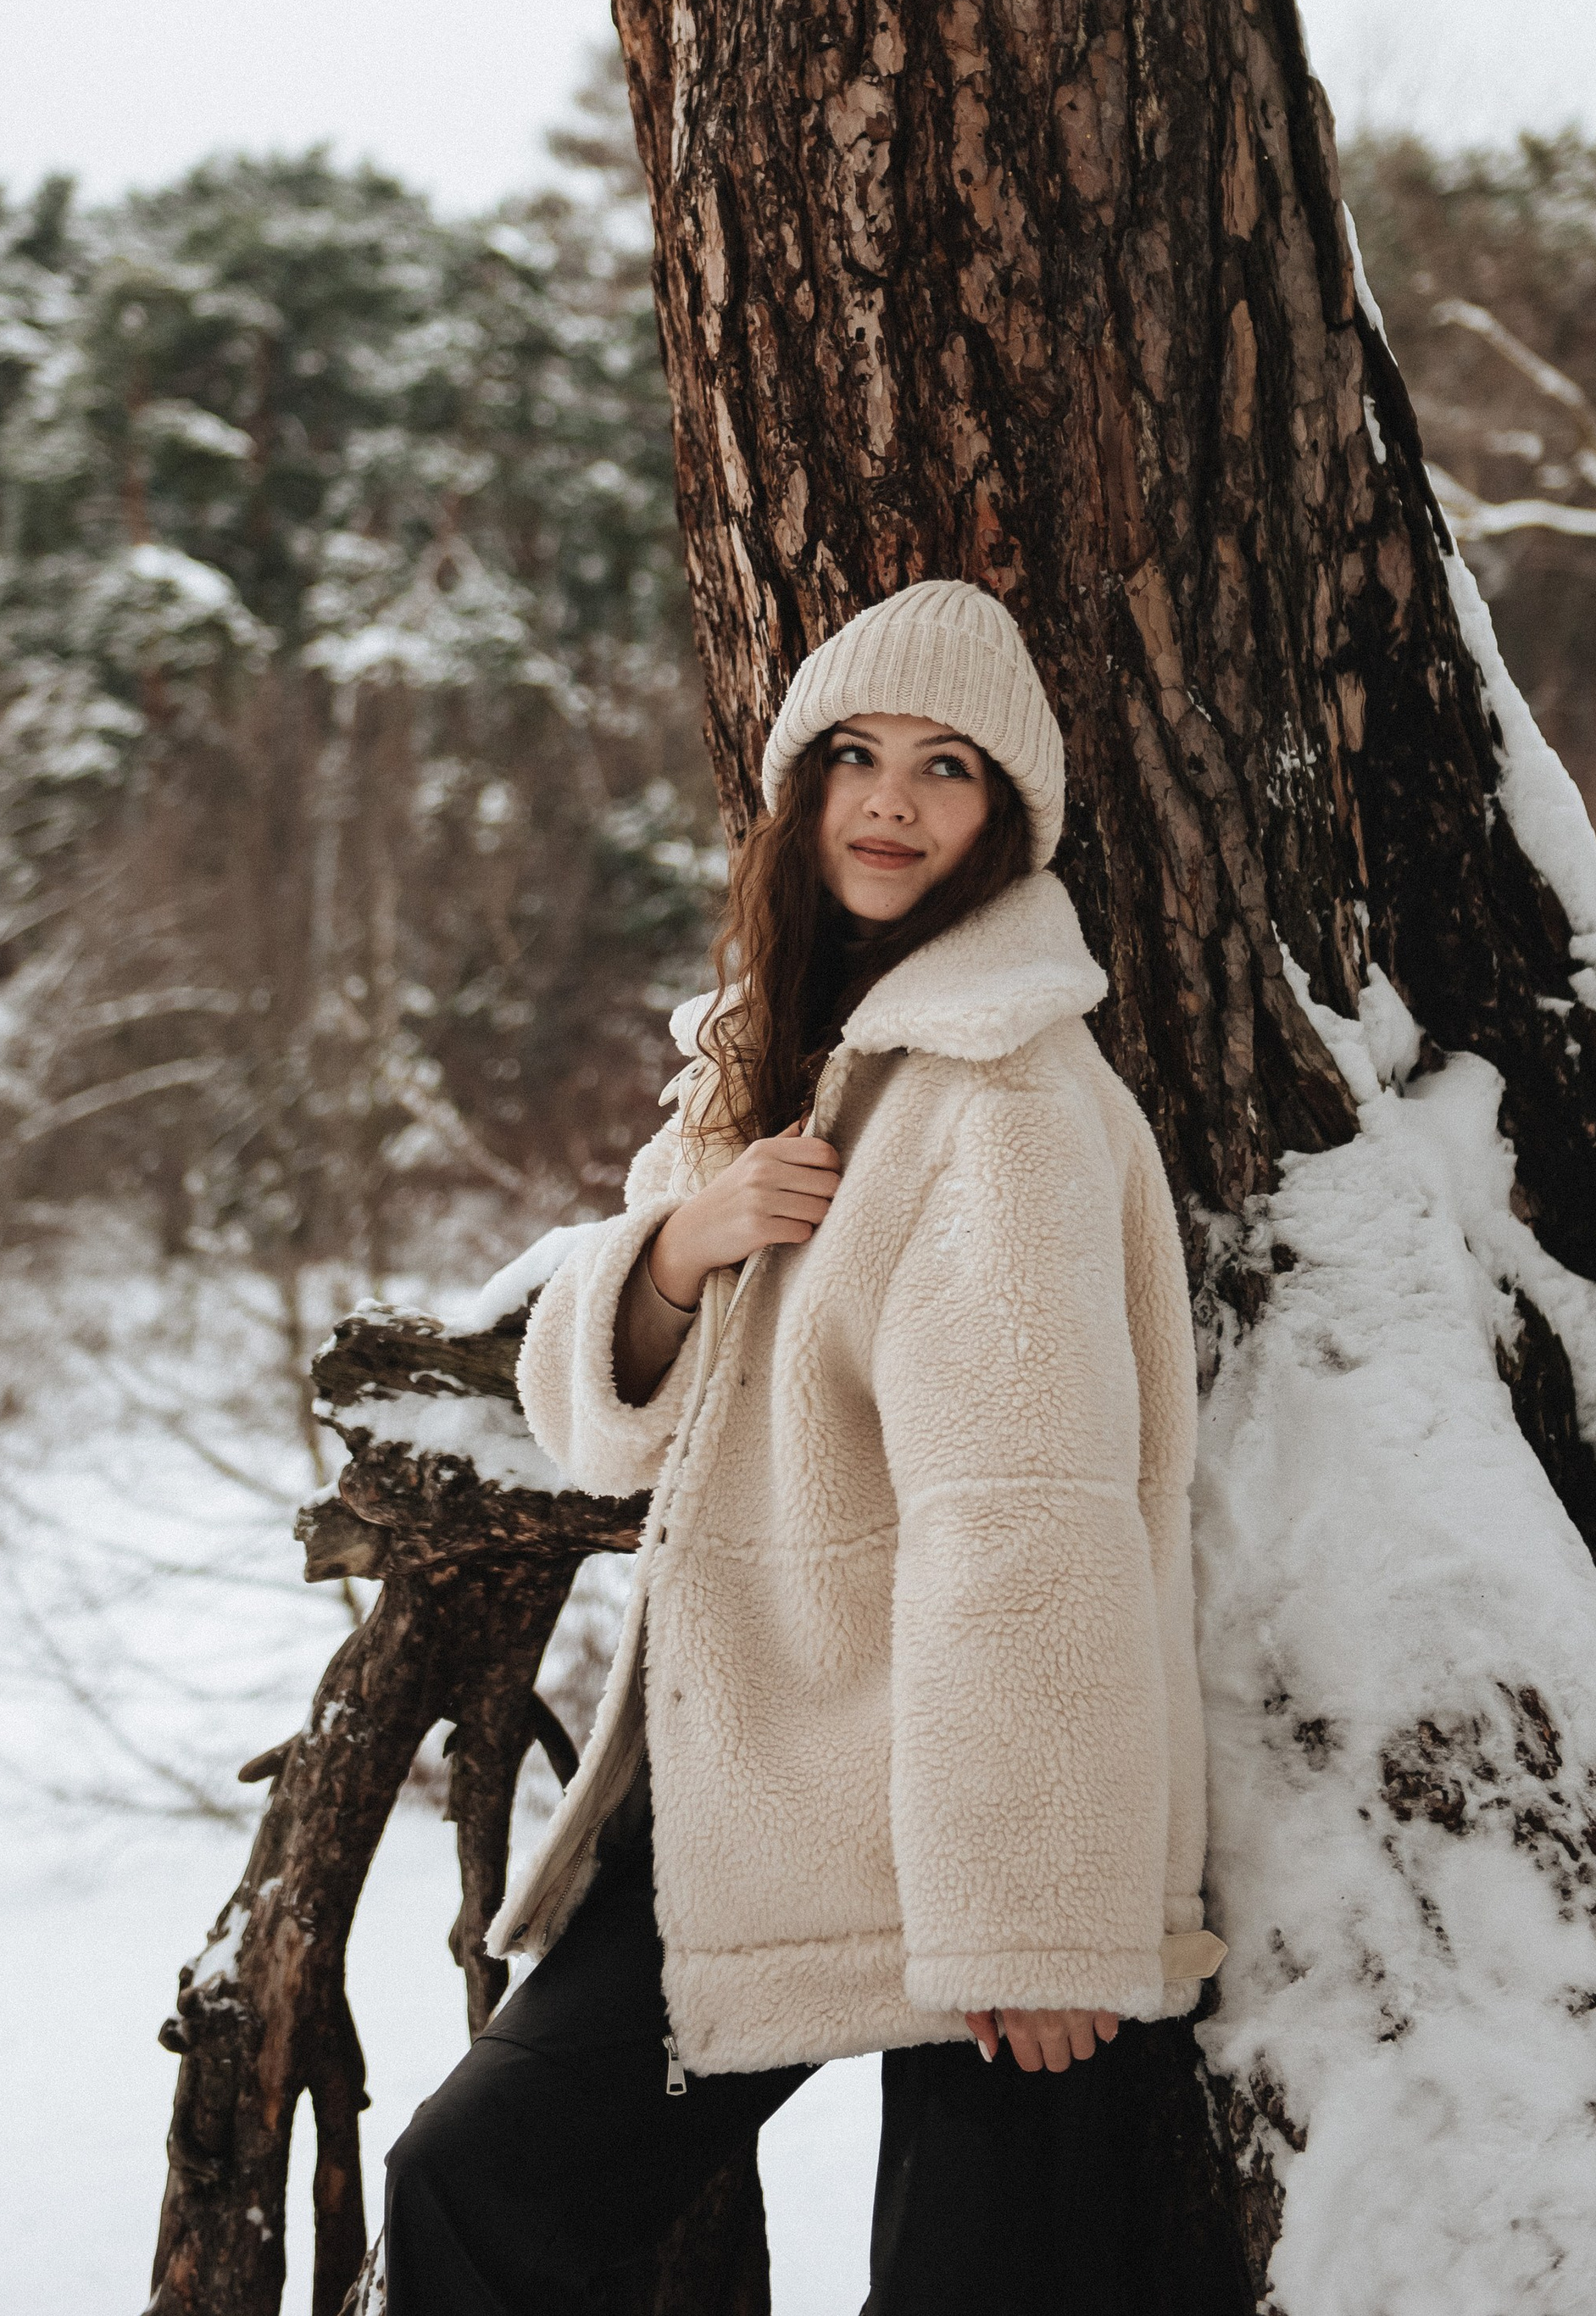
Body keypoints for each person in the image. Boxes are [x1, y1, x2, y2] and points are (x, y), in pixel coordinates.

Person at [385, 578, 1221, 2312]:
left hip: (968, 1818)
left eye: (944, 769)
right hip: (756, 1784)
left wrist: (1039, 1916)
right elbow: (608, 1435)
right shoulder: (772, 1065)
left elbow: (1030, 1518)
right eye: (849, 753)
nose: (888, 802)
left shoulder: (996, 1096)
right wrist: (679, 1248)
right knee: (470, 2179)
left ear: (1007, 821)